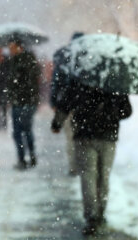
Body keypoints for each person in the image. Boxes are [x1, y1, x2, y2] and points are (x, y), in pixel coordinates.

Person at [51, 80, 132, 235]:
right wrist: (111, 112)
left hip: (84, 135)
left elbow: (65, 104)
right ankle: (100, 214)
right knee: (103, 176)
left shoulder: (79, 79)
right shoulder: (115, 82)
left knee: (88, 177)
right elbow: (127, 111)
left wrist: (57, 123)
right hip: (108, 137)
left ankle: (92, 217)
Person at [50, 32, 84, 176]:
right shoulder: (88, 59)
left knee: (70, 137)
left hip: (67, 104)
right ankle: (83, 164)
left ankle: (73, 166)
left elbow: (56, 82)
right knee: (82, 137)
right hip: (85, 105)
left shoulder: (64, 59)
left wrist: (54, 101)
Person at [7, 39, 41, 169]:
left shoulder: (18, 62)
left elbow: (16, 82)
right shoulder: (31, 60)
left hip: (21, 101)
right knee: (26, 130)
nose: (10, 50)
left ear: (19, 47)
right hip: (28, 101)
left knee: (18, 132)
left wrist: (13, 93)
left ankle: (22, 158)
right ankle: (31, 155)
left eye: (12, 47)